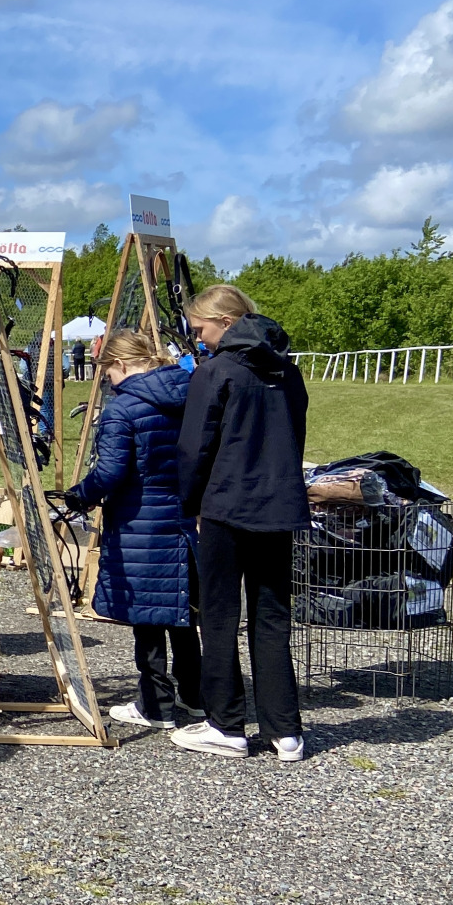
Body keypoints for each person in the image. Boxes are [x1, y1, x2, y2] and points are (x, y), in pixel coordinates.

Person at [171, 284, 310, 762]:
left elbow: (194, 449)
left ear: (226, 323)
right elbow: (296, 436)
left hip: (226, 508)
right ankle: (284, 731)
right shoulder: (288, 372)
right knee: (272, 618)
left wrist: (189, 504)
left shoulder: (216, 372)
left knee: (220, 615)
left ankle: (225, 725)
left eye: (201, 329)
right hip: (278, 508)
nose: (199, 338)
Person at [62, 330, 202, 730]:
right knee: (182, 612)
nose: (106, 379)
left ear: (120, 364)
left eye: (106, 370)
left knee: (149, 618)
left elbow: (111, 471)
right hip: (182, 518)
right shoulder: (191, 394)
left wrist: (79, 495)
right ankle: (195, 697)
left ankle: (155, 705)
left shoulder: (123, 409)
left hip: (140, 521)